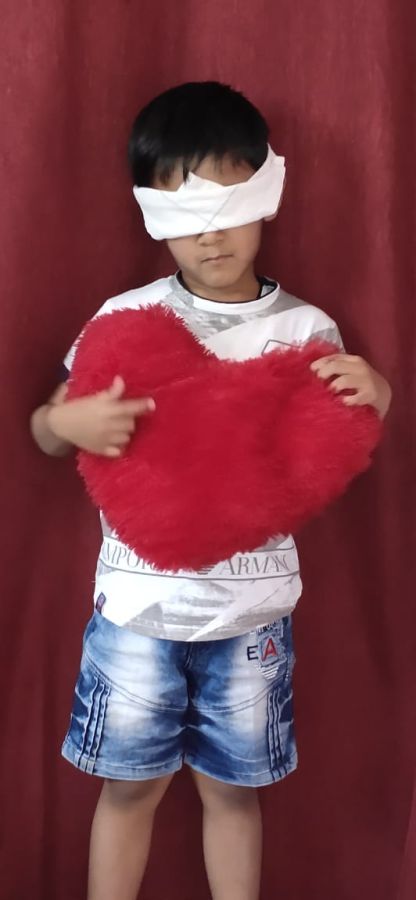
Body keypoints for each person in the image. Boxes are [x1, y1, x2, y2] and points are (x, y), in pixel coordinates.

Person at [30, 81, 391, 900]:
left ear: (269, 192)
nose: (210, 232)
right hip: (135, 613)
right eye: (183, 212)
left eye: (229, 203)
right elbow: (46, 428)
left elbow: (348, 428)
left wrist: (380, 393)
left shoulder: (307, 331)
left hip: (253, 620)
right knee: (128, 791)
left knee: (234, 794)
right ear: (151, 215)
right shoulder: (120, 319)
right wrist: (65, 422)